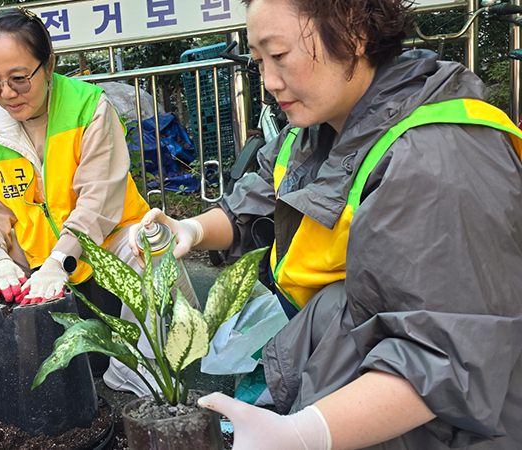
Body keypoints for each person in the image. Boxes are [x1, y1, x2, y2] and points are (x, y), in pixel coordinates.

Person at [131, 0, 522, 448]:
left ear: (354, 34)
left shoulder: (436, 159)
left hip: (440, 428)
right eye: (259, 61)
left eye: (280, 55)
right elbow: (254, 202)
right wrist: (191, 230)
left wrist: (302, 434)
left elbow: (444, 357)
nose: (270, 82)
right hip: (346, 371)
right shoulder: (317, 128)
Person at [0, 7, 194, 398]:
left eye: (19, 79)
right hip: (34, 250)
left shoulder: (88, 107)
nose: (7, 94)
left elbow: (98, 201)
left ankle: (140, 373)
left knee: (154, 243)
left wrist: (59, 261)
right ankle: (8, 365)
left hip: (104, 240)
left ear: (49, 65)